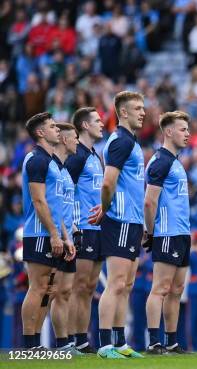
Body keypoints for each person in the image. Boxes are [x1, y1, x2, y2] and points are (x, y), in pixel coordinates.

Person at [88, 91, 146, 359]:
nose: (143, 112)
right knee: (116, 283)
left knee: (127, 284)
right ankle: (104, 345)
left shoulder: (131, 142)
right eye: (137, 108)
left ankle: (121, 343)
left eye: (143, 107)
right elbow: (108, 182)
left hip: (132, 220)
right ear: (123, 112)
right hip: (120, 220)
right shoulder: (120, 141)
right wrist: (107, 207)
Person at [20, 112, 75, 349]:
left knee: (49, 288)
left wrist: (65, 236)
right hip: (38, 232)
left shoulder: (51, 162)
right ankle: (29, 344)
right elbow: (39, 201)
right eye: (53, 127)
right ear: (41, 133)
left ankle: (36, 346)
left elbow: (57, 206)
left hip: (52, 232)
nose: (57, 131)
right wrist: (53, 234)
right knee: (38, 287)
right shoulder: (36, 160)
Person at [143, 111, 192, 354]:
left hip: (182, 233)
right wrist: (151, 233)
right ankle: (153, 341)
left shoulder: (175, 161)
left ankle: (171, 341)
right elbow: (149, 202)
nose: (188, 134)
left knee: (176, 290)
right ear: (168, 132)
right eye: (183, 129)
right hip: (167, 233)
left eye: (187, 129)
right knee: (160, 288)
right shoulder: (160, 161)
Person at [64, 107, 105, 353]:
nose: (102, 124)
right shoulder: (77, 155)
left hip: (98, 228)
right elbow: (66, 190)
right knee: (78, 285)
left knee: (90, 287)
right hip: (82, 227)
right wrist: (71, 224)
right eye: (98, 121)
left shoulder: (95, 154)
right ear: (85, 126)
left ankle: (82, 338)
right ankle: (69, 339)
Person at [48, 123, 80, 353]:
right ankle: (34, 344)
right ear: (64, 140)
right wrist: (61, 234)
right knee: (48, 291)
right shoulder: (52, 168)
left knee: (65, 291)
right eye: (75, 137)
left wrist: (72, 228)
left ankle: (64, 343)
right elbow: (52, 207)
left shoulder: (65, 170)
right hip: (55, 239)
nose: (77, 141)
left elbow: (65, 206)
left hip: (67, 237)